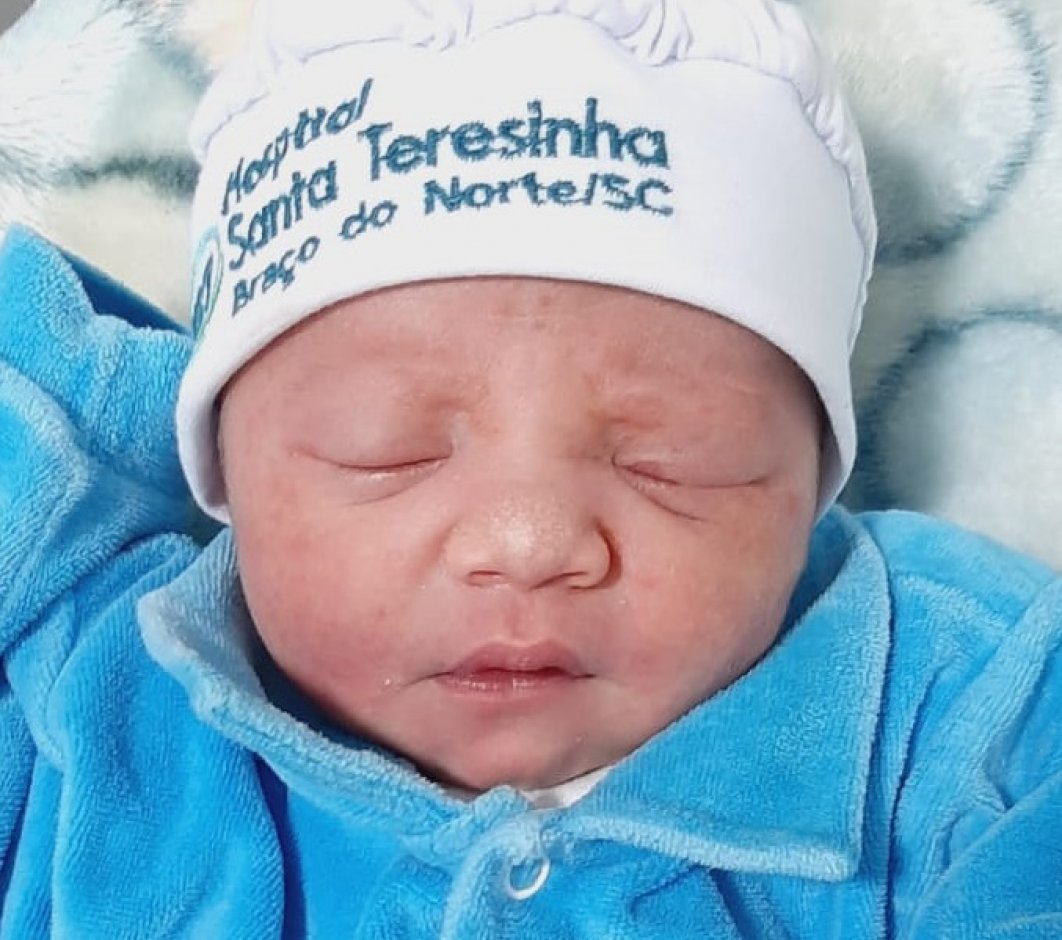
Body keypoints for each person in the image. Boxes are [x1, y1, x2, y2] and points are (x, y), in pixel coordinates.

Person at [1, 0, 1060, 936]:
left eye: (671, 460)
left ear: (810, 478)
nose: (530, 543)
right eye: (387, 448)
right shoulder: (86, 689)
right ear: (226, 470)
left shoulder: (965, 716)